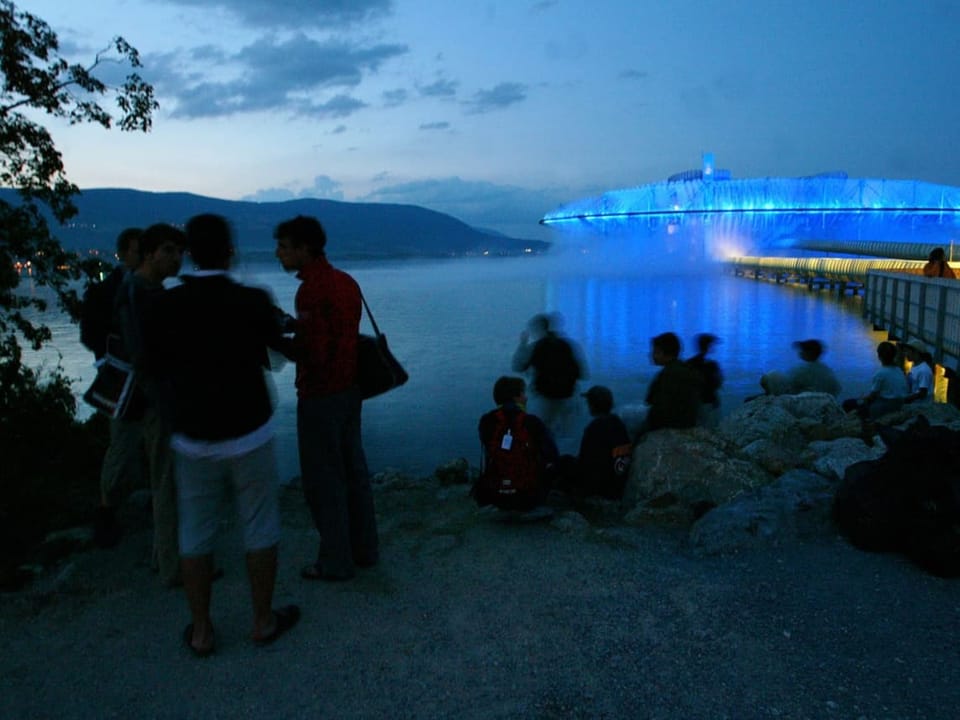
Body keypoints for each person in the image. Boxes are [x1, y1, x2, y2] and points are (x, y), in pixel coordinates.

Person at [150, 213, 299, 657]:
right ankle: (262, 620)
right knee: (259, 523)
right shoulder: (253, 299)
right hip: (248, 430)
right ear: (230, 251)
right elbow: (275, 352)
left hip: (191, 434)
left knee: (195, 530)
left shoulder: (166, 304)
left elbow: (156, 367)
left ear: (191, 254)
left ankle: (201, 631)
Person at [274, 215, 379, 581]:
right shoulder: (346, 281)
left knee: (323, 481)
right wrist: (295, 326)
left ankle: (335, 561)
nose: (278, 255)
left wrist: (276, 341)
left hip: (320, 396)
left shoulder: (311, 290)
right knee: (354, 472)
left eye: (284, 247)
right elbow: (335, 334)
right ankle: (365, 549)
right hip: (351, 390)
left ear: (305, 248)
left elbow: (312, 352)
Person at [115, 222, 185, 587]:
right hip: (160, 402)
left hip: (156, 399)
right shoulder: (144, 295)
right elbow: (147, 356)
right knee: (166, 481)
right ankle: (174, 567)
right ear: (151, 253)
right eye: (169, 251)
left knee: (165, 479)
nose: (177, 259)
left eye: (180, 252)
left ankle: (164, 556)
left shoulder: (139, 289)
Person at [84, 228, 143, 548]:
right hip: (121, 382)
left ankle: (123, 508)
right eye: (137, 251)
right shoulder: (104, 292)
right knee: (120, 447)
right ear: (122, 254)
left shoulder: (150, 289)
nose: (142, 257)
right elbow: (90, 334)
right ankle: (106, 511)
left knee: (134, 446)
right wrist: (112, 359)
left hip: (146, 384)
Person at [473, 376, 558, 513]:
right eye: (523, 393)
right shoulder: (532, 422)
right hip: (528, 497)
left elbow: (488, 450)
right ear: (516, 397)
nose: (526, 398)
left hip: (495, 496)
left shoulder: (486, 421)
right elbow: (552, 455)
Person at [511, 313, 585, 438]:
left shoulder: (537, 347)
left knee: (539, 436)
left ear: (538, 329)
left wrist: (522, 344)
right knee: (564, 439)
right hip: (568, 399)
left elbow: (518, 366)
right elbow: (581, 373)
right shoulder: (568, 346)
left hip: (545, 400)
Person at [556, 385, 632, 500]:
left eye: (588, 403)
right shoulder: (618, 423)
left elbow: (586, 462)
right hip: (618, 480)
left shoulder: (595, 427)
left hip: (601, 486)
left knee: (562, 462)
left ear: (593, 405)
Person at [640, 332, 703, 434]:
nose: (651, 355)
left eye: (654, 351)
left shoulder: (667, 375)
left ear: (662, 353)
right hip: (689, 422)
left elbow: (653, 403)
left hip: (670, 426)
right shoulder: (689, 369)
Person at [843, 341, 909, 419]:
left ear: (879, 356)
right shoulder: (899, 370)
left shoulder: (880, 373)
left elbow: (872, 397)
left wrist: (863, 399)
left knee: (847, 404)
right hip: (899, 404)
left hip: (885, 407)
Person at [685, 333, 723, 427]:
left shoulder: (688, 363)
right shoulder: (712, 365)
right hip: (709, 402)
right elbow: (718, 383)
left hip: (693, 403)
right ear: (709, 346)